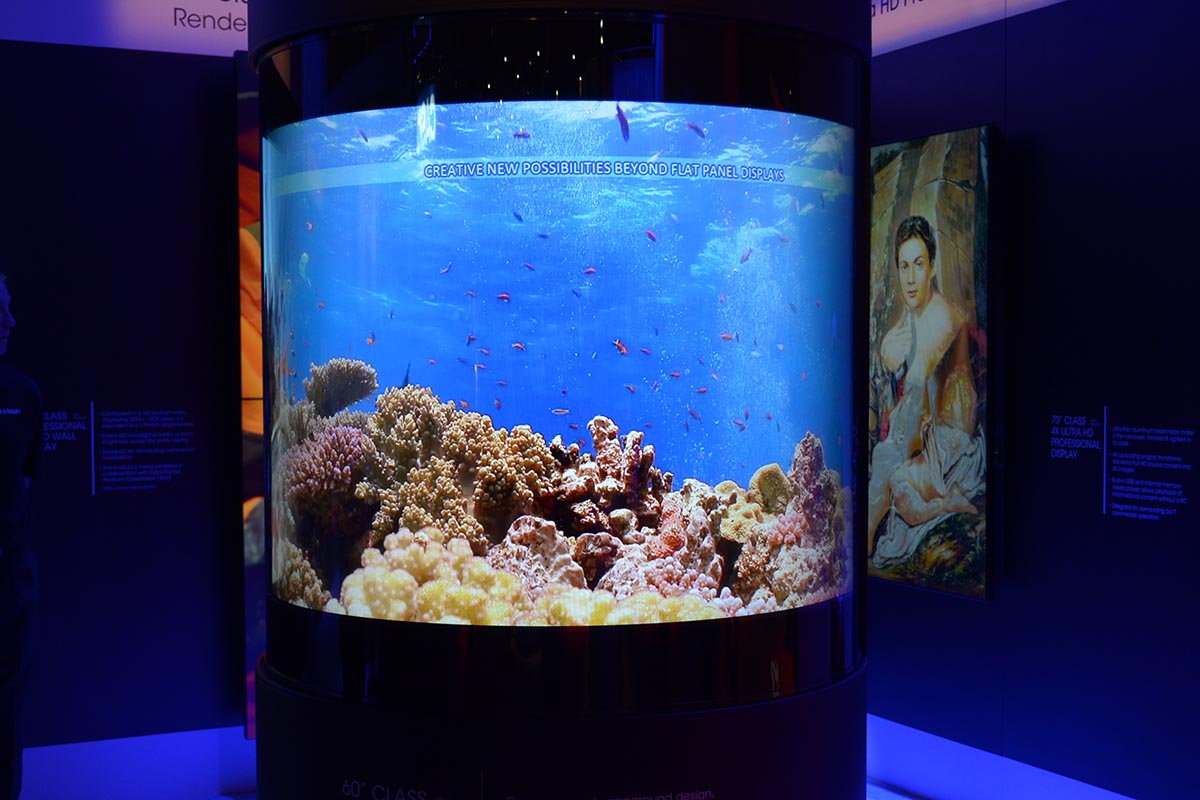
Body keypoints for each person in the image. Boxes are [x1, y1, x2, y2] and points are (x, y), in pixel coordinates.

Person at [867, 216, 984, 565]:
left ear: (932, 267)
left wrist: (891, 362)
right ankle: (866, 538)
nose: (910, 278)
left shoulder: (940, 317)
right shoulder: (914, 315)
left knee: (890, 468)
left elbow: (914, 403)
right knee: (891, 470)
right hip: (929, 437)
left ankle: (865, 540)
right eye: (904, 267)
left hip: (951, 444)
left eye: (918, 265)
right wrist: (887, 357)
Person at [0, 273, 42, 800]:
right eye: (0, 309)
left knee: (8, 720)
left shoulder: (24, 394)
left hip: (10, 578)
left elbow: (25, 484)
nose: (11, 320)